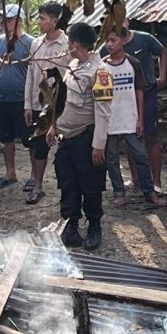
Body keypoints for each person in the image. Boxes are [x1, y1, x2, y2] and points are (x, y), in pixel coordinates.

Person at [46, 22, 113, 250]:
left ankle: (94, 227)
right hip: (67, 138)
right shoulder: (74, 65)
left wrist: (99, 146)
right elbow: (63, 100)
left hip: (87, 138)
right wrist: (53, 125)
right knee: (68, 183)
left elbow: (104, 112)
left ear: (75, 43)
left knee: (91, 185)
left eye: (69, 43)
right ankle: (71, 226)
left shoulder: (100, 71)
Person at [102, 28, 167, 208]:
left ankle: (149, 192)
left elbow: (139, 91)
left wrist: (139, 117)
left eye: (113, 40)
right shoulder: (102, 66)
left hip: (130, 118)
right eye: (107, 40)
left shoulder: (133, 63)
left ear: (123, 41)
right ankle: (119, 191)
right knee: (112, 158)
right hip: (110, 119)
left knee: (140, 155)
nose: (109, 44)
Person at [23, 2, 71, 204]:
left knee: (67, 147)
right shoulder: (36, 44)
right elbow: (31, 75)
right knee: (38, 145)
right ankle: (38, 185)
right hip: (39, 104)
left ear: (55, 20)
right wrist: (28, 104)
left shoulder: (68, 44)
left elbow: (71, 75)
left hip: (62, 105)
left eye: (42, 18)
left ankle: (69, 189)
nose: (39, 22)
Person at [0, 4, 35, 190]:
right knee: (6, 137)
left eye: (8, 19)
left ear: (19, 21)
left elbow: (36, 71)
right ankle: (10, 172)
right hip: (1, 98)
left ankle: (33, 175)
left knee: (30, 139)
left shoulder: (30, 43)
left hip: (23, 100)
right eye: (3, 19)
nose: (4, 22)